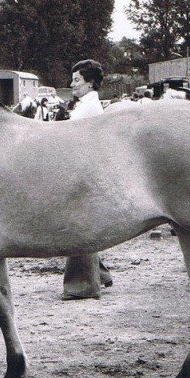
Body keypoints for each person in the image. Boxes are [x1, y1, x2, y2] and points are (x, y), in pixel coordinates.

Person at [62, 59, 112, 301]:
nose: (72, 84)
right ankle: (100, 274)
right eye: (73, 80)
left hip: (83, 170)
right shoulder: (86, 103)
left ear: (90, 83)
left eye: (77, 80)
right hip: (84, 167)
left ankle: (83, 283)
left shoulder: (88, 107)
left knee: (77, 226)